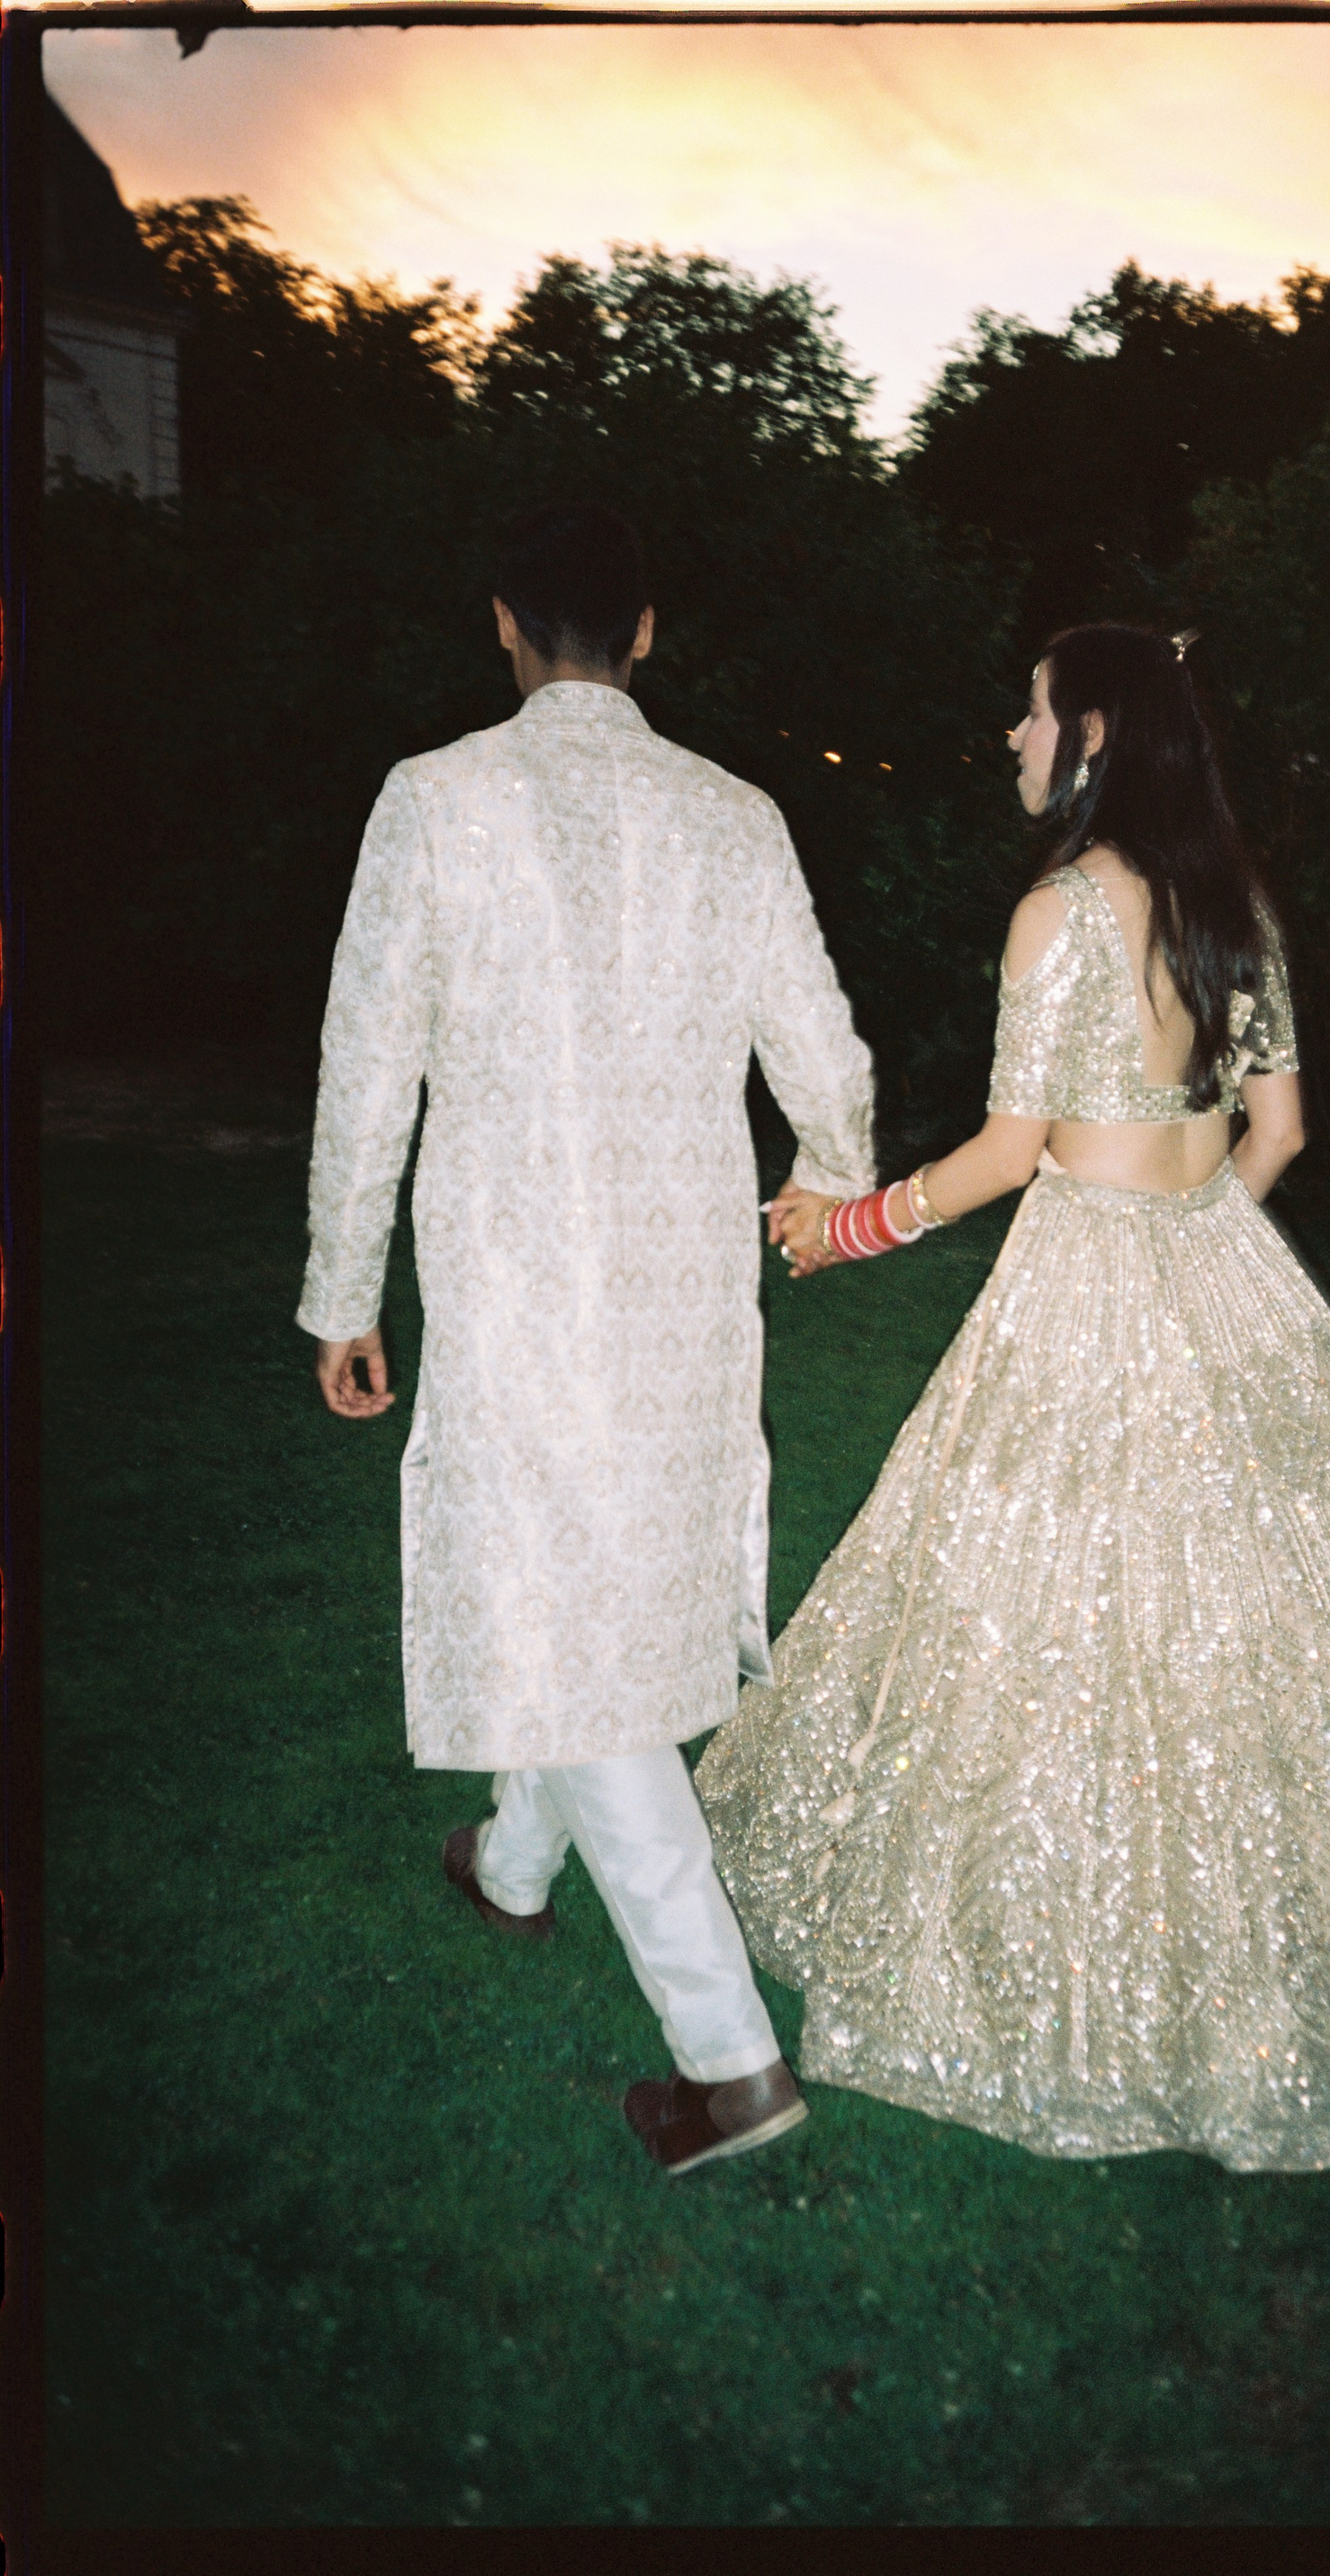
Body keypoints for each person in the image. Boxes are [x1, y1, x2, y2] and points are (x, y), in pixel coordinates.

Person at [694, 621, 1330, 2171]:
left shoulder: (1055, 914)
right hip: (1217, 1251)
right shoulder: (1237, 904)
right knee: (1270, 1596)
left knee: (1048, 1592)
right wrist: (1199, 1239)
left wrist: (851, 1224)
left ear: (1093, 731)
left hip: (1088, 1269)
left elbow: (1010, 1151)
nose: (1013, 738)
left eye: (1031, 713)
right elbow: (1278, 1131)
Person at [296, 501, 876, 2175]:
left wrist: (345, 1289)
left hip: (516, 1286)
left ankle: (733, 2060)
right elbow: (823, 1052)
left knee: (571, 1608)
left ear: (502, 623)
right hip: (679, 1292)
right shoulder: (735, 815)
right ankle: (513, 1864)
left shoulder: (435, 799)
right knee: (590, 1584)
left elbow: (367, 1067)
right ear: (646, 631)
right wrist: (830, 1180)